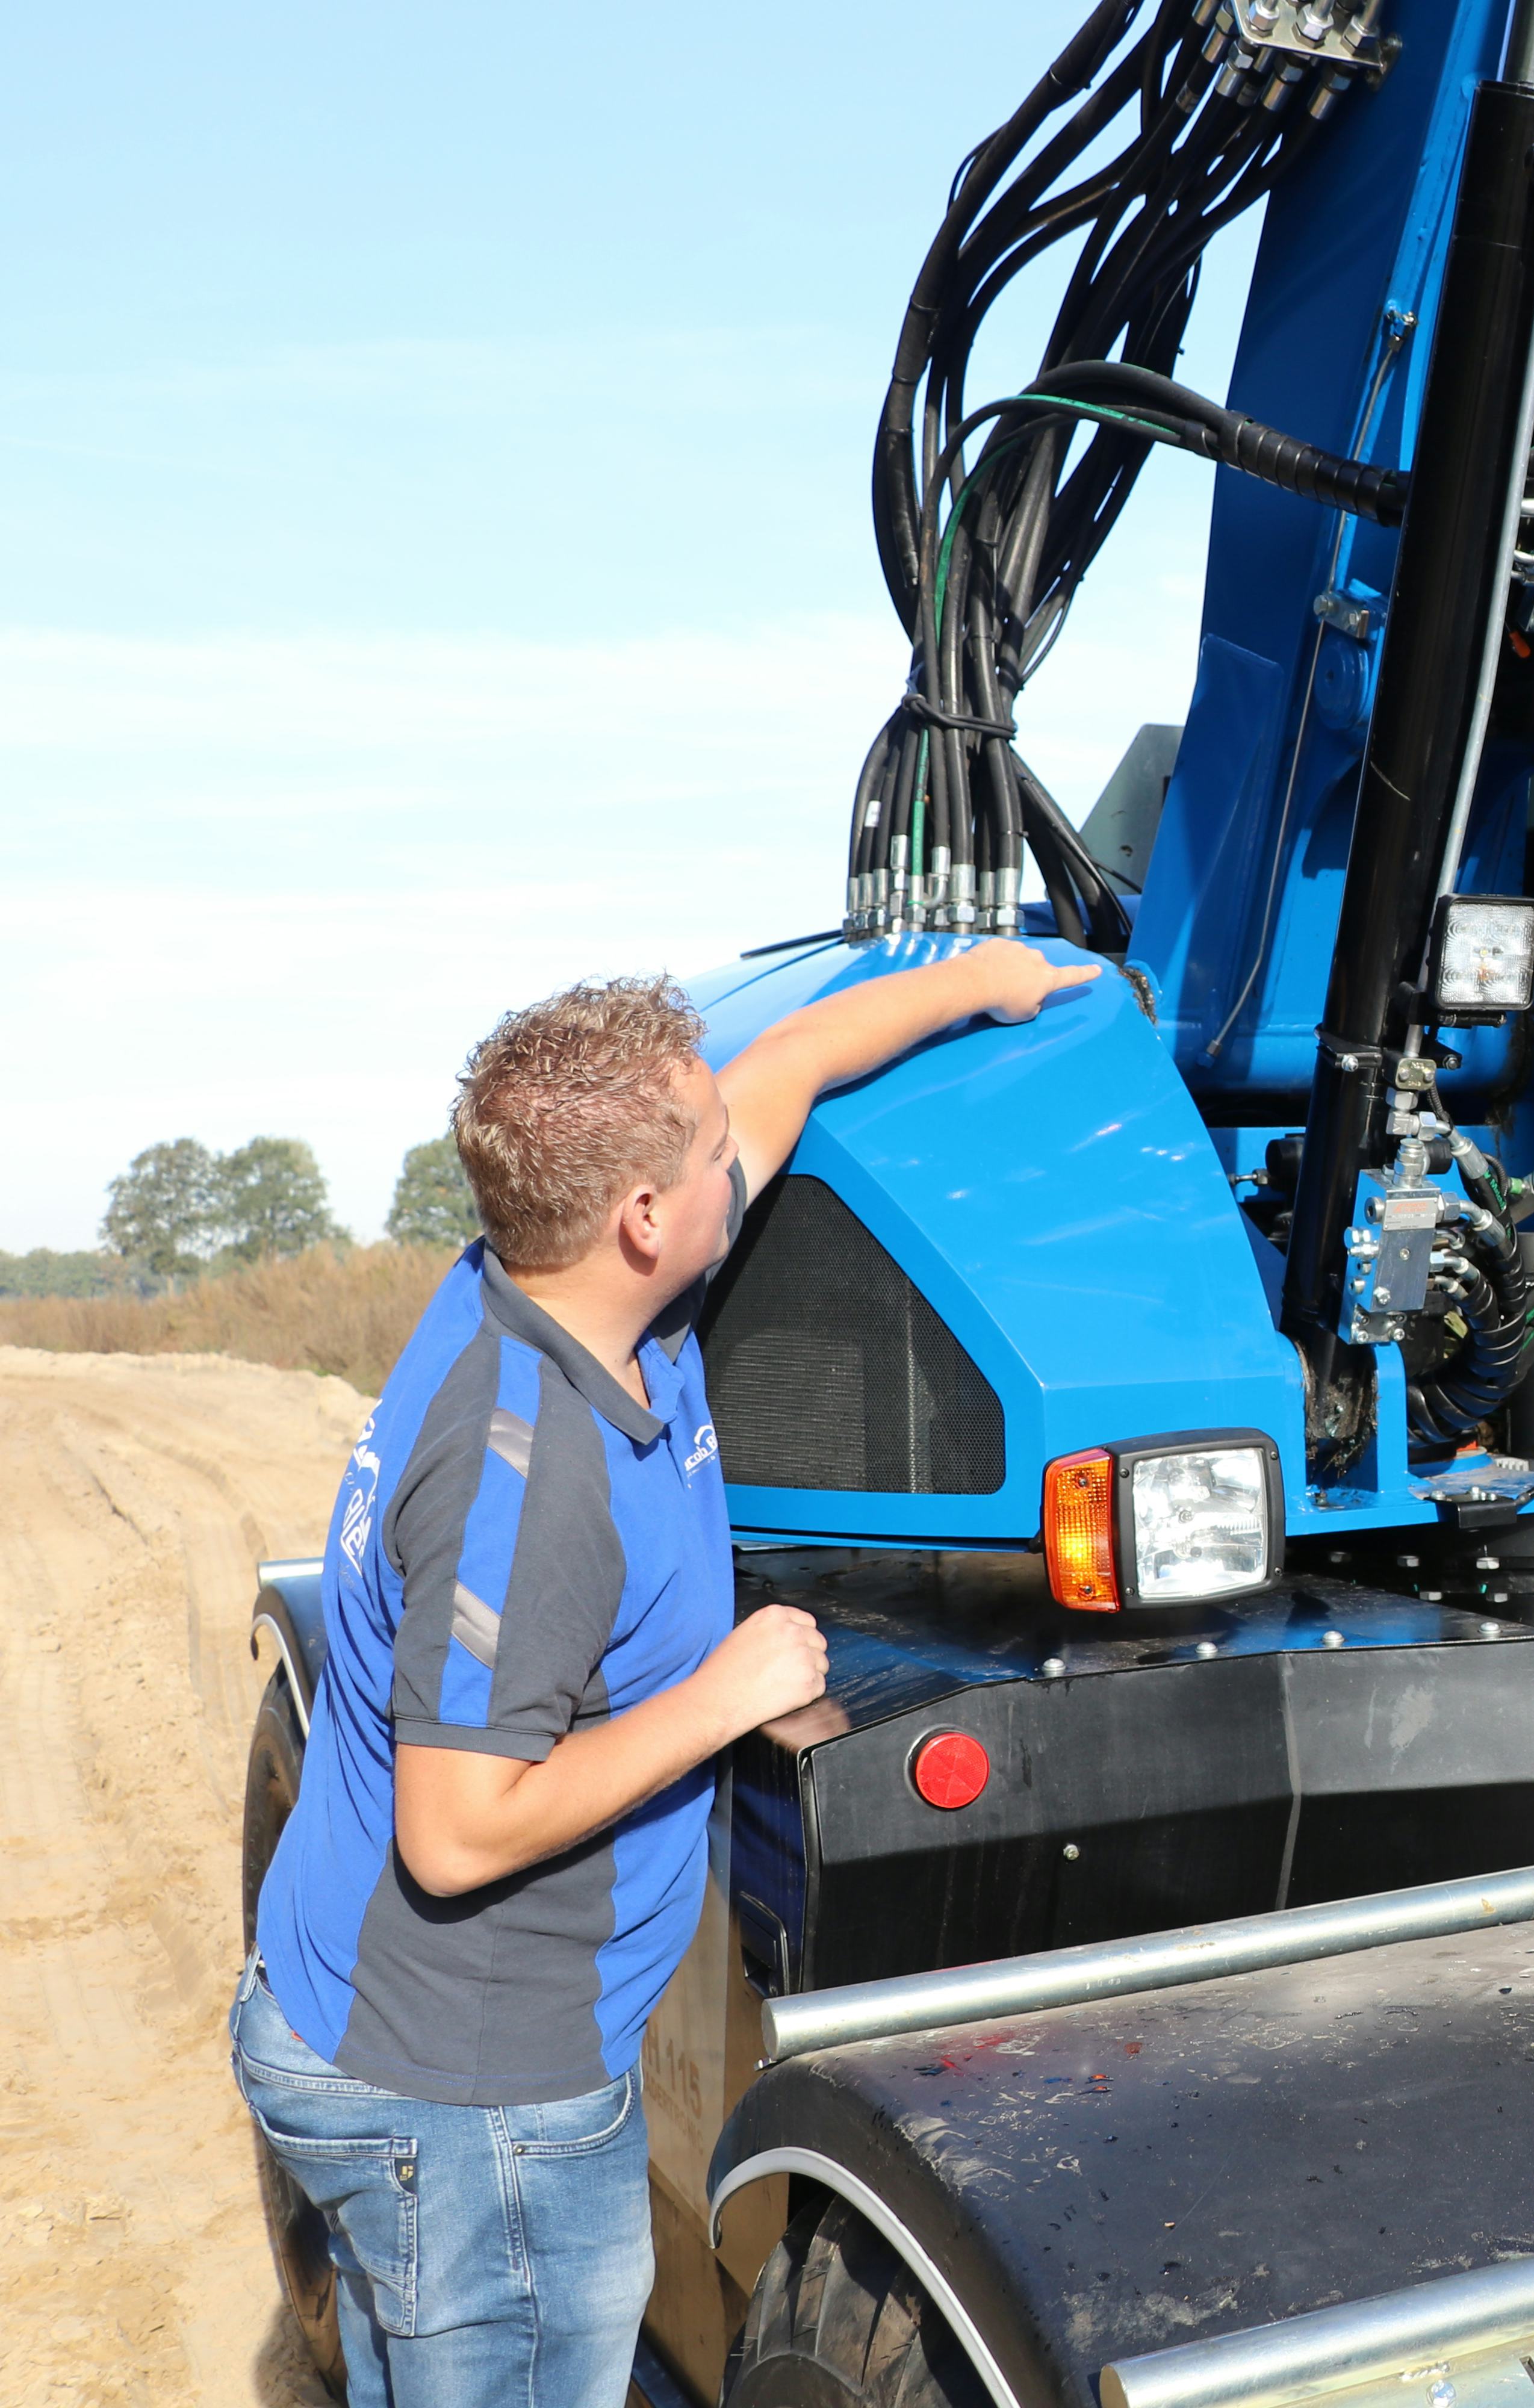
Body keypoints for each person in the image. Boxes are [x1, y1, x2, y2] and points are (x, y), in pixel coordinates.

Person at [234, 940, 1097, 2407]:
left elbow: (790, 1065)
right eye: (709, 1156)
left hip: (380, 2029)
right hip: (463, 2101)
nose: (738, 1164)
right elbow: (455, 1828)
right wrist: (725, 1690)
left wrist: (989, 978)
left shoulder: (578, 1283)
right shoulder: (530, 1479)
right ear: (641, 1215)